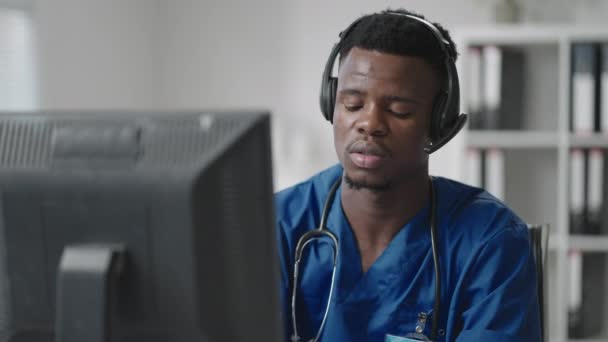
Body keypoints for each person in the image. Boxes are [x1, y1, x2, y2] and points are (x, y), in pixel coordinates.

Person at [274, 8, 541, 342]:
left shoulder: (489, 242)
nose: (369, 124)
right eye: (353, 104)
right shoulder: (277, 225)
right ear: (331, 105)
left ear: (438, 122)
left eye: (399, 110)